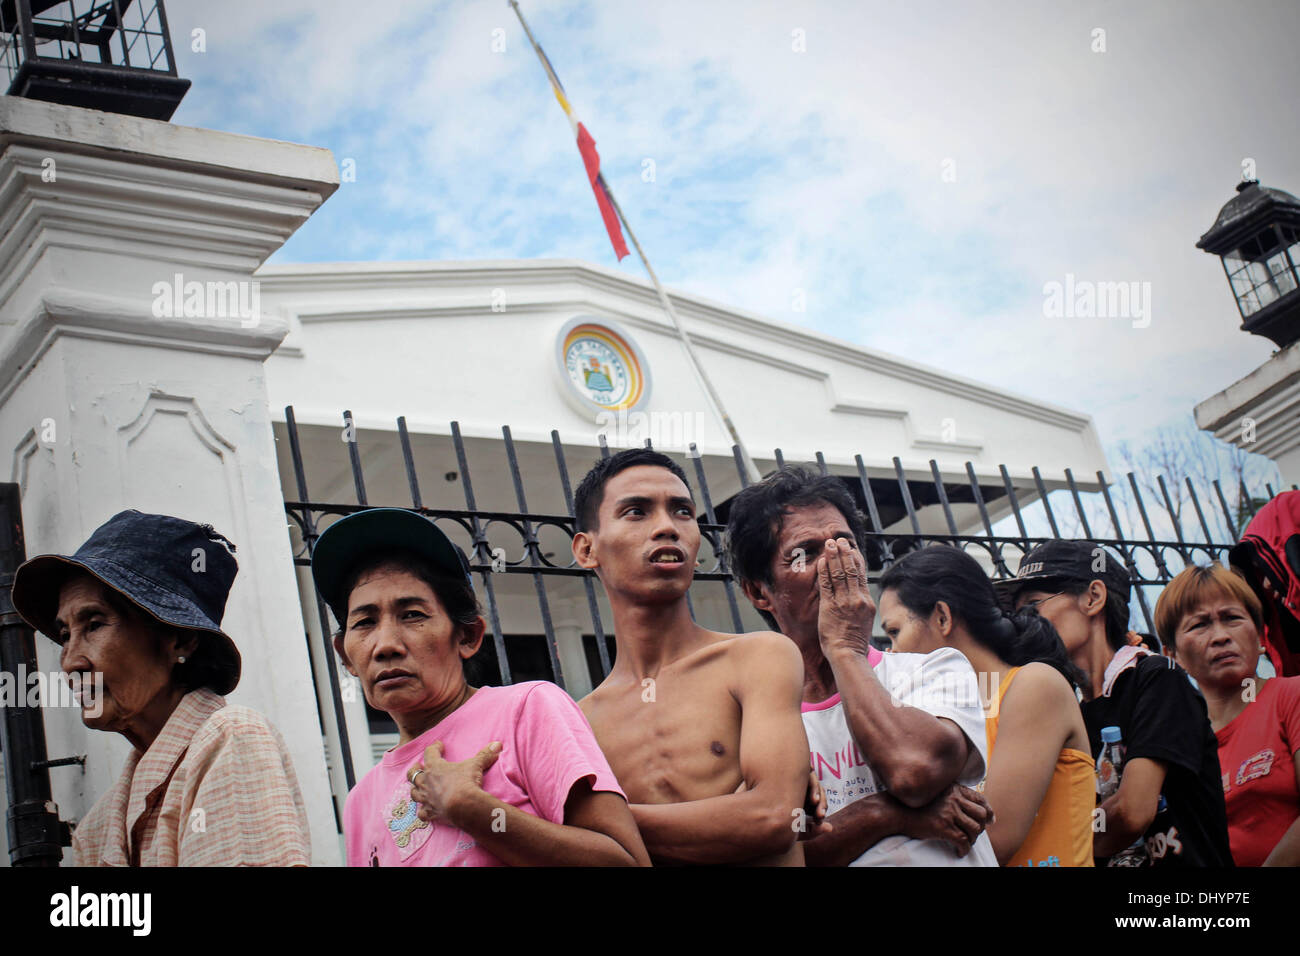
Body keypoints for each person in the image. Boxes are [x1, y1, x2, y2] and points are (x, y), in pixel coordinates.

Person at [311, 507, 648, 866]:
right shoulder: (361, 801)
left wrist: (473, 811)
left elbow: (626, 860)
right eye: (364, 622)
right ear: (344, 656)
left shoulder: (527, 709)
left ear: (468, 635)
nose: (386, 644)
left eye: (412, 615)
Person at [726, 466, 997, 866]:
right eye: (807, 553)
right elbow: (772, 852)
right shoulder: (751, 720)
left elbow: (915, 772)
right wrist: (886, 814)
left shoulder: (935, 669)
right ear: (758, 591)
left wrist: (844, 649)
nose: (833, 564)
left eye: (844, 544)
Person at [11, 510, 311, 866]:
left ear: (180, 640)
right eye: (64, 636)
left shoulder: (230, 739)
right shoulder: (99, 827)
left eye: (94, 625)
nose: (70, 661)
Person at [572, 449, 813, 865]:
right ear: (586, 550)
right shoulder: (582, 720)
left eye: (682, 512)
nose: (667, 527)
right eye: (636, 512)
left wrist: (602, 824)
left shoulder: (758, 657)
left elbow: (777, 818)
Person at [998, 539, 1233, 867]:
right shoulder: (1072, 710)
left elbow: (1131, 812)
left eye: (1033, 605)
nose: (1023, 621)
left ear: (1093, 598)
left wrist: (1044, 837)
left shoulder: (1156, 677)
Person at [877, 545, 1095, 867]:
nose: (891, 654)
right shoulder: (942, 718)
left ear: (942, 617)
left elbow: (991, 839)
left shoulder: (1034, 686)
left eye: (895, 632)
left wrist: (879, 818)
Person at [1156, 563, 1300, 866]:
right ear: (1172, 655)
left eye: (1232, 618)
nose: (1220, 636)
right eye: (1199, 625)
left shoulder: (1291, 697)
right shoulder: (1175, 750)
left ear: (1261, 636)